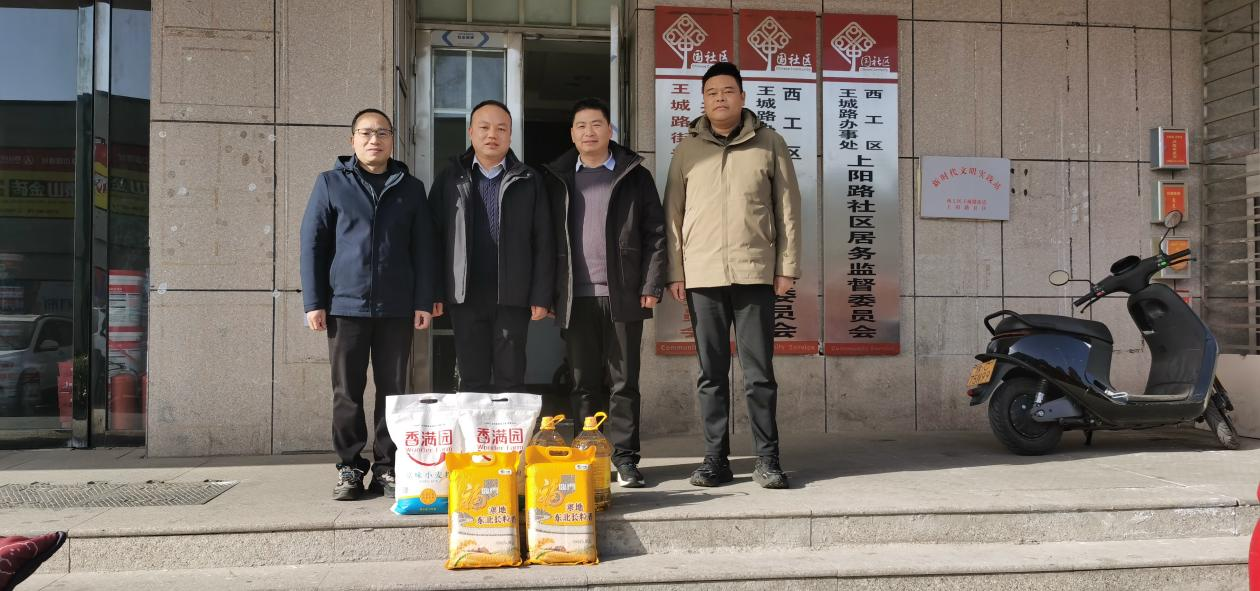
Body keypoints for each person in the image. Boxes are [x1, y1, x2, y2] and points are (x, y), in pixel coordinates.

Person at [663, 62, 802, 489]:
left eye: (727, 91)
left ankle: (768, 459)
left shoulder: (770, 143)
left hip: (755, 273)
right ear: (703, 101)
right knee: (711, 374)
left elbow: (788, 208)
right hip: (703, 275)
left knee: (759, 373)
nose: (720, 98)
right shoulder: (687, 150)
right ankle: (715, 460)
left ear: (742, 97)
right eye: (712, 93)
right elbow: (673, 214)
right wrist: (676, 271)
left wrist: (787, 267)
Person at [300, 108, 438, 501]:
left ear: (392, 139)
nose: (374, 140)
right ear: (352, 140)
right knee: (347, 391)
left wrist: (422, 300)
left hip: (397, 308)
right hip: (345, 306)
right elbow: (313, 244)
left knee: (393, 392)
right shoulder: (330, 184)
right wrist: (314, 301)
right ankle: (349, 466)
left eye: (382, 133)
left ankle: (387, 467)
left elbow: (424, 249)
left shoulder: (411, 188)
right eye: (366, 133)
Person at [542, 98, 665, 488]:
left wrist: (651, 284)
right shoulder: (558, 178)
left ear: (610, 130)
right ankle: (587, 455)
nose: (589, 132)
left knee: (624, 381)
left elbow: (655, 233)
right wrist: (548, 294)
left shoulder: (633, 175)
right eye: (581, 126)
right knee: (582, 382)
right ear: (572, 134)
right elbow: (545, 240)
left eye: (596, 125)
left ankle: (626, 459)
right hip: (574, 297)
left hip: (623, 294)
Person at [429, 100, 554, 393]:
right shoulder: (451, 177)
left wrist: (542, 294)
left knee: (512, 377)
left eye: (501, 129)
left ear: (510, 135)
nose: (492, 135)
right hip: (465, 296)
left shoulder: (529, 179)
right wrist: (434, 291)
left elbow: (544, 241)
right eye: (484, 127)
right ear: (471, 132)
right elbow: (433, 237)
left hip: (512, 296)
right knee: (472, 378)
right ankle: (475, 426)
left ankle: (510, 426)